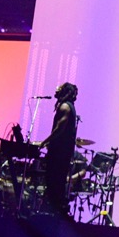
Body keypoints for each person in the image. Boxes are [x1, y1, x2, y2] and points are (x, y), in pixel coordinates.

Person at [40, 83, 79, 218]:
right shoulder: (69, 106)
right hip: (62, 153)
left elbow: (59, 129)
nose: (56, 89)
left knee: (54, 182)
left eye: (60, 88)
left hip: (59, 154)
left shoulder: (65, 107)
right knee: (57, 183)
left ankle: (54, 213)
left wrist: (44, 142)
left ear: (65, 91)